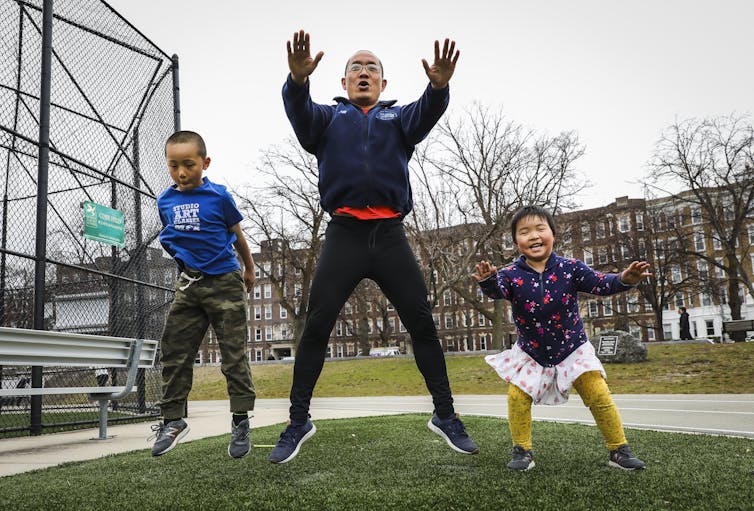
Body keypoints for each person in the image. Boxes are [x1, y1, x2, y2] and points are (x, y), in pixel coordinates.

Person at [268, 30, 478, 464]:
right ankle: (297, 421)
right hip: (344, 234)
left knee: (422, 323)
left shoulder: (397, 120)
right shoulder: (327, 119)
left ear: (383, 84)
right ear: (344, 83)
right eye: (356, 68)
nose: (364, 72)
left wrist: (438, 87)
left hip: (389, 236)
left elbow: (426, 112)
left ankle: (445, 415)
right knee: (317, 325)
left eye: (373, 68)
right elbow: (300, 115)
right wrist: (297, 82)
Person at [472, 205, 652, 471]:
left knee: (598, 393)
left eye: (540, 229)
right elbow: (496, 291)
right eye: (524, 232)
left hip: (573, 349)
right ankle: (522, 451)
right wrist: (488, 280)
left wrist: (625, 279)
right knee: (516, 397)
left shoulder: (570, 269)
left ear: (553, 235)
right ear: (516, 242)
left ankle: (619, 450)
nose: (533, 236)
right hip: (531, 352)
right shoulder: (511, 275)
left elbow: (601, 283)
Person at [150, 130, 257, 459]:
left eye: (189, 165)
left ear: (204, 163)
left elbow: (236, 234)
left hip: (224, 281)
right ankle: (172, 420)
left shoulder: (219, 197)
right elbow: (172, 238)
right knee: (173, 351)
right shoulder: (165, 201)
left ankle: (240, 420)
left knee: (232, 354)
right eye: (174, 166)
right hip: (190, 284)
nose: (181, 173)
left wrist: (249, 268)